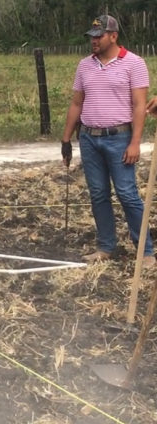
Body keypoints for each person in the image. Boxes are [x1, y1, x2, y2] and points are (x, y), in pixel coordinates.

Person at [61, 15, 154, 267]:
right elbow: (77, 103)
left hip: (119, 137)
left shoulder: (134, 63)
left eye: (98, 36)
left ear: (113, 36)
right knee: (98, 194)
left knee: (127, 193)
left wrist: (135, 142)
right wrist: (66, 139)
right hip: (90, 138)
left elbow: (138, 106)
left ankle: (145, 251)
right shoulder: (84, 66)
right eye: (91, 37)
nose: (93, 41)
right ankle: (106, 246)